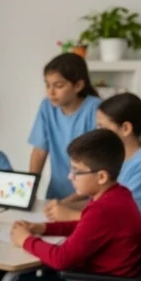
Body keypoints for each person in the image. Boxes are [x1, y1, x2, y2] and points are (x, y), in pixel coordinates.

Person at [7, 129, 141, 281]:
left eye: (76, 171)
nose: (70, 176)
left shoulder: (103, 209)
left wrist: (25, 240)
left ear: (101, 177)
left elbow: (61, 259)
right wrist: (42, 228)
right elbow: (85, 226)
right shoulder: (118, 195)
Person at [48, 93, 141, 232]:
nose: (97, 132)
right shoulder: (116, 158)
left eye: (102, 126)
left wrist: (70, 215)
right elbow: (101, 206)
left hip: (130, 248)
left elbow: (123, 220)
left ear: (126, 128)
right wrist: (66, 205)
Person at [28, 53, 101, 205]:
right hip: (56, 194)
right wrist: (30, 189)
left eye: (58, 86)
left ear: (78, 86)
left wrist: (68, 203)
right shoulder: (47, 106)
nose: (50, 92)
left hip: (87, 198)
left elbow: (99, 163)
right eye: (47, 85)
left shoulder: (95, 109)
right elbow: (40, 151)